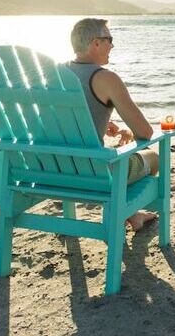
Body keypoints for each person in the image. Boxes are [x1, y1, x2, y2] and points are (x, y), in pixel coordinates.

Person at [65, 18, 159, 231]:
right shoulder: (105, 78)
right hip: (95, 175)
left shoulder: (54, 74)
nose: (112, 45)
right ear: (96, 43)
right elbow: (145, 132)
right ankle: (127, 212)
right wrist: (131, 133)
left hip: (50, 169)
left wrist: (98, 120)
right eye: (109, 39)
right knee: (153, 157)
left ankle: (134, 216)